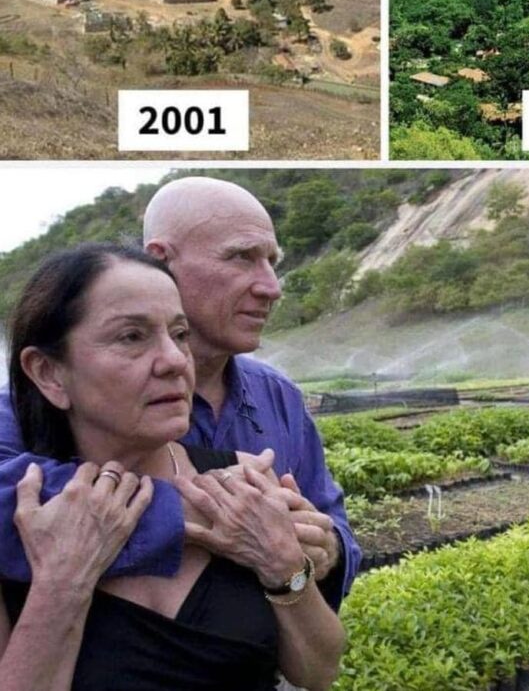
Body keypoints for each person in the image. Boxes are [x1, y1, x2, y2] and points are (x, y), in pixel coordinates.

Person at [0, 177, 360, 611]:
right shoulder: (32, 404)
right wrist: (201, 512)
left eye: (271, 261)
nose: (271, 286)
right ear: (162, 262)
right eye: (242, 257)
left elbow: (330, 519)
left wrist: (323, 548)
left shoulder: (279, 397)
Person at [0, 243, 345, 691]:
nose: (174, 361)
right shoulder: (25, 520)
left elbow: (318, 672)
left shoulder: (244, 483)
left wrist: (284, 566)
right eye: (132, 337)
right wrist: (63, 585)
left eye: (179, 334)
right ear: (48, 373)